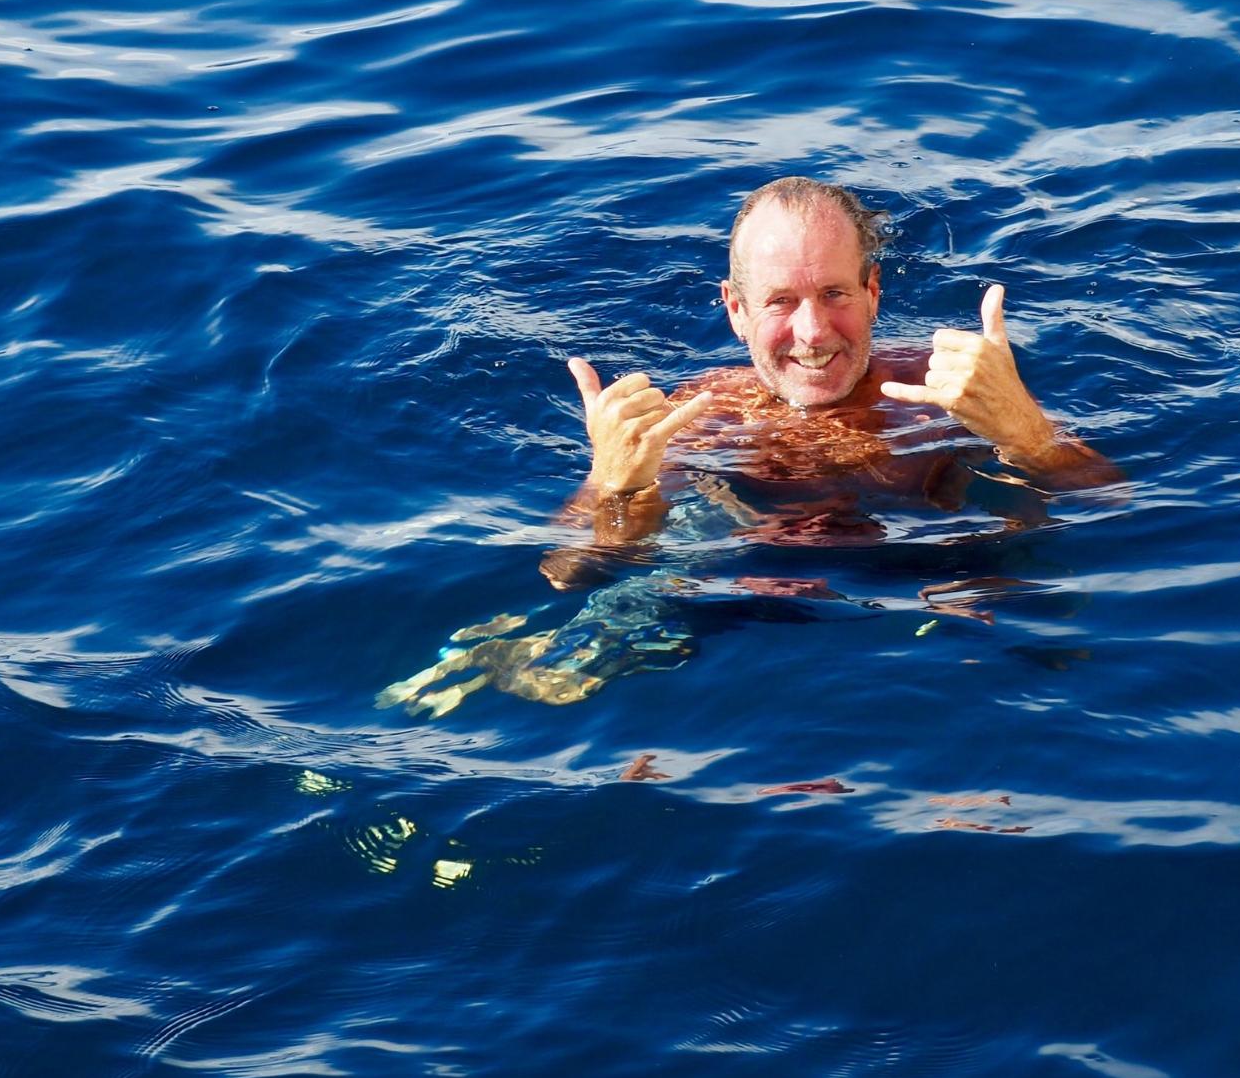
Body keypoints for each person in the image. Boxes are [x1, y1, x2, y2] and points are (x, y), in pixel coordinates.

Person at [377, 177, 1120, 718]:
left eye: (834, 294)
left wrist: (1027, 433)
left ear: (873, 292)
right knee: (595, 637)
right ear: (735, 310)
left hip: (934, 587)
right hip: (750, 591)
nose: (811, 333)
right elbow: (566, 572)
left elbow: (1113, 501)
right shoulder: (704, 413)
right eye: (780, 302)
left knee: (1059, 662)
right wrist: (613, 487)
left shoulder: (946, 385)